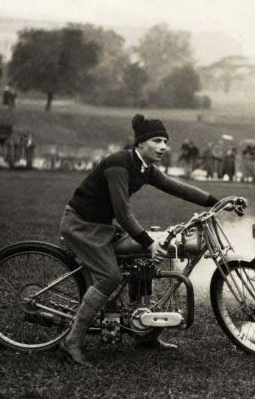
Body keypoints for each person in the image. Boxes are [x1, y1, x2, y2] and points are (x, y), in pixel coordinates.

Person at [58, 114, 222, 367]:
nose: (163, 147)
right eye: (157, 140)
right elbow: (123, 213)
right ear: (141, 143)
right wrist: (148, 241)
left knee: (144, 259)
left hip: (103, 227)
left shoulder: (144, 168)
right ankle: (72, 342)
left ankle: (145, 335)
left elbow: (175, 186)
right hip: (82, 226)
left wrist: (216, 201)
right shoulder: (119, 165)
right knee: (110, 277)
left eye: (165, 142)